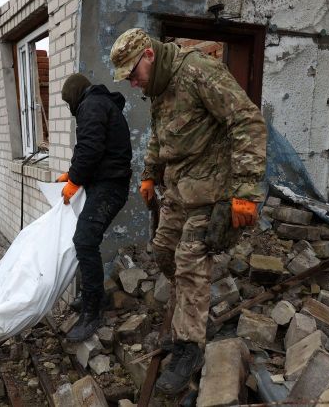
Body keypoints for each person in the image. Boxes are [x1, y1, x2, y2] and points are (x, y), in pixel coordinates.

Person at [110, 29, 267, 395]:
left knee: (190, 264)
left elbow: (247, 121)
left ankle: (189, 347)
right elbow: (158, 136)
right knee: (164, 252)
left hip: (212, 193)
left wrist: (244, 193)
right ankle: (189, 320)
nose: (132, 84)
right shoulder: (159, 87)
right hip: (179, 192)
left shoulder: (198, 72)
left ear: (148, 54)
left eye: (133, 74)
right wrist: (149, 175)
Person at [56, 73, 132, 342]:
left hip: (110, 187)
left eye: (68, 103)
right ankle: (94, 296)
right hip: (106, 184)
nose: (70, 108)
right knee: (86, 240)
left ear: (76, 96)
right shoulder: (97, 104)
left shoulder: (91, 106)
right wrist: (71, 172)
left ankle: (92, 311)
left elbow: (90, 148)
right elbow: (86, 147)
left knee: (85, 241)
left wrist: (75, 180)